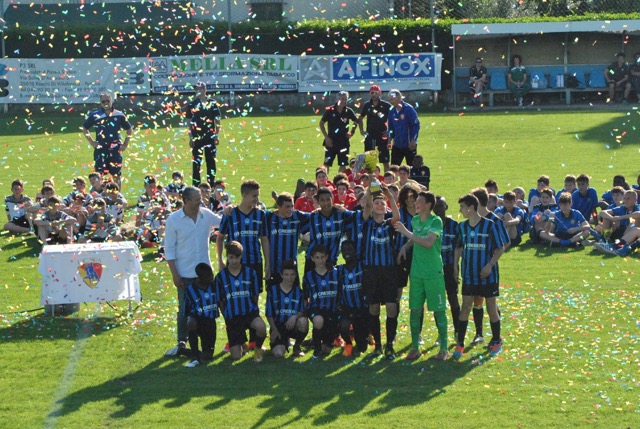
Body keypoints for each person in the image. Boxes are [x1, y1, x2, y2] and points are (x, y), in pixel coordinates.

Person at [164, 186, 222, 357]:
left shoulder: (206, 214)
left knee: (208, 307)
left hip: (205, 274)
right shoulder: (174, 220)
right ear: (186, 201)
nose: (201, 201)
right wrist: (175, 274)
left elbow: (222, 221)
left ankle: (206, 343)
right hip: (185, 274)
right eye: (197, 199)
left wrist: (229, 211)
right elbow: (169, 250)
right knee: (184, 309)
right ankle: (182, 341)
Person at [395, 191, 449, 361]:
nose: (415, 204)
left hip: (433, 273)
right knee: (415, 309)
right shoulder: (415, 220)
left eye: (419, 201)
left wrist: (406, 233)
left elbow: (427, 243)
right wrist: (406, 246)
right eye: (415, 201)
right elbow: (416, 238)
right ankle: (415, 348)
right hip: (416, 272)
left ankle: (444, 348)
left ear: (428, 205)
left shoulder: (436, 221)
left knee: (438, 310)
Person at [453, 194, 506, 359]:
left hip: (487, 275)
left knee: (491, 306)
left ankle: (496, 340)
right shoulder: (462, 227)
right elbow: (459, 248)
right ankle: (460, 344)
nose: (460, 211)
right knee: (466, 307)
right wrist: (455, 266)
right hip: (469, 274)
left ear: (470, 207)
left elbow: (501, 248)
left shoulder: (490, 225)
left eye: (462, 207)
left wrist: (489, 265)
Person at [360, 183, 400, 359]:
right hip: (371, 271)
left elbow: (397, 217)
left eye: (382, 203)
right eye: (377, 203)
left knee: (392, 307)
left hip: (388, 271)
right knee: (374, 308)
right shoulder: (367, 223)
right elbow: (367, 206)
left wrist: (389, 197)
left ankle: (390, 344)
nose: (379, 205)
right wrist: (370, 190)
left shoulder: (389, 223)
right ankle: (377, 344)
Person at [215, 241, 267, 362]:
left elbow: (255, 295)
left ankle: (258, 350)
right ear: (227, 256)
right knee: (236, 357)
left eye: (237, 257)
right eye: (231, 257)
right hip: (233, 316)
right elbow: (220, 301)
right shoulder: (221, 277)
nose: (234, 261)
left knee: (261, 327)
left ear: (241, 256)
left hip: (249, 313)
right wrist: (227, 317)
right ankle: (242, 345)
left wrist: (252, 308)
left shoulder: (250, 273)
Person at [216, 180, 270, 292]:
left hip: (255, 261)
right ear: (244, 195)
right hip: (234, 263)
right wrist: (220, 261)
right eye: (254, 196)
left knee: (254, 296)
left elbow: (264, 239)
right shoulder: (230, 214)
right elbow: (220, 237)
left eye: (258, 196)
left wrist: (267, 263)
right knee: (234, 295)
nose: (257, 199)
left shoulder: (260, 215)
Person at [82, 92, 133, 187]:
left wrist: (125, 144)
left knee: (116, 175)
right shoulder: (95, 115)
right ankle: (101, 197)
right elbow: (85, 128)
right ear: (100, 103)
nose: (106, 103)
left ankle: (117, 196)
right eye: (103, 101)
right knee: (100, 175)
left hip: (115, 149)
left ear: (112, 101)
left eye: (108, 101)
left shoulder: (119, 114)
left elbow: (129, 129)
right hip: (101, 149)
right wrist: (92, 142)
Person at [303, 244, 340, 359]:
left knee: (327, 350)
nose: (320, 260)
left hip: (332, 311)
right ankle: (317, 349)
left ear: (327, 257)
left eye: (322, 257)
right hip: (316, 309)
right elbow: (305, 296)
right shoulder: (308, 276)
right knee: (318, 320)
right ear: (312, 258)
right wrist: (305, 313)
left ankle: (321, 343)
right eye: (317, 257)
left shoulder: (335, 273)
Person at [266, 259, 308, 358]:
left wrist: (294, 317)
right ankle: (283, 342)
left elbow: (302, 310)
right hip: (278, 326)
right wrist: (274, 330)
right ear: (281, 275)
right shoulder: (273, 291)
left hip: (293, 325)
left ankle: (297, 347)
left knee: (303, 321)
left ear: (296, 275)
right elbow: (269, 314)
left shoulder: (299, 292)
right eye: (286, 275)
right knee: (278, 354)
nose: (289, 278)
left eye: (292, 275)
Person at [305, 187, 354, 271]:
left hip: (331, 261)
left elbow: (359, 217)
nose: (326, 203)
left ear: (333, 199)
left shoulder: (341, 214)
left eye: (328, 199)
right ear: (318, 202)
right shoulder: (313, 216)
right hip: (312, 260)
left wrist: (346, 211)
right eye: (322, 200)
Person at [266, 192, 310, 284]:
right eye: (287, 207)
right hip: (274, 267)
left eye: (292, 206)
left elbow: (315, 217)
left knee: (294, 295)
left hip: (292, 269)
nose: (290, 209)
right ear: (278, 206)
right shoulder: (268, 217)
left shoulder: (297, 216)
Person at [433, 196, 461, 336]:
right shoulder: (430, 224)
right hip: (434, 268)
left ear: (446, 207)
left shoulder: (454, 225)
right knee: (438, 302)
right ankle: (441, 333)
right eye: (436, 206)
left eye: (441, 206)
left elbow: (459, 247)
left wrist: (456, 268)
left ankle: (457, 330)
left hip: (449, 266)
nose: (438, 209)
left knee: (453, 298)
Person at [186, 81, 222, 187]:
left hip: (210, 137)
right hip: (197, 138)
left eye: (200, 89)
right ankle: (195, 186)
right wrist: (190, 137)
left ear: (205, 90)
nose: (198, 91)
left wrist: (217, 135)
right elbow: (189, 122)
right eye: (196, 89)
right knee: (196, 163)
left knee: (211, 162)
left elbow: (217, 120)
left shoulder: (213, 103)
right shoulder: (192, 104)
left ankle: (211, 185)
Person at [336, 240, 368, 357]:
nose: (346, 253)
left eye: (349, 250)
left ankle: (362, 334)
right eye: (344, 251)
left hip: (362, 309)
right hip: (347, 309)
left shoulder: (363, 265)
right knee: (343, 324)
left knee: (362, 348)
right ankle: (348, 342)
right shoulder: (339, 270)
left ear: (356, 251)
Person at [184, 263, 219, 368]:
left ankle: (183, 351)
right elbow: (187, 310)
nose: (210, 278)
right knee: (191, 322)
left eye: (211, 275)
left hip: (210, 322)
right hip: (198, 320)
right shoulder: (191, 289)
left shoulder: (214, 286)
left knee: (207, 356)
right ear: (200, 277)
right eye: (208, 276)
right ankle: (195, 355)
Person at [319, 91, 358, 174]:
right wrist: (326, 137)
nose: (343, 101)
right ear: (337, 99)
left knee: (343, 164)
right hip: (331, 141)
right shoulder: (330, 110)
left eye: (345, 99)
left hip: (343, 141)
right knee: (327, 163)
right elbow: (321, 123)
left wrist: (352, 132)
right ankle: (325, 182)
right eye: (342, 99)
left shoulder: (348, 111)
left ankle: (339, 182)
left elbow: (356, 121)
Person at [594, 190, 640, 256]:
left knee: (633, 224)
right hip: (621, 230)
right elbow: (602, 212)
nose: (626, 200)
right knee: (606, 218)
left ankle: (613, 246)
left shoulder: (638, 207)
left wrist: (619, 218)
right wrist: (612, 219)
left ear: (635, 200)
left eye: (628, 198)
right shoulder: (622, 208)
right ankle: (605, 241)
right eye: (624, 198)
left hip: (632, 234)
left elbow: (638, 214)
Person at [358, 84, 392, 171]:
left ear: (380, 93)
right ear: (370, 94)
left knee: (385, 160)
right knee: (369, 160)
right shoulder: (367, 105)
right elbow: (360, 118)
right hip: (370, 135)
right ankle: (370, 180)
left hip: (382, 135)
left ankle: (387, 179)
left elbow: (393, 119)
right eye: (372, 93)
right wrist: (362, 130)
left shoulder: (386, 105)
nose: (374, 95)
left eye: (376, 93)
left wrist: (389, 131)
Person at [387, 89, 420, 166]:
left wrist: (413, 140)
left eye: (392, 98)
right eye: (390, 99)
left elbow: (416, 125)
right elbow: (391, 127)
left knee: (411, 167)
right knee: (394, 168)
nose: (391, 101)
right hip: (397, 144)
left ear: (399, 98)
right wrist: (389, 140)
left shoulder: (408, 109)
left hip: (409, 144)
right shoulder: (391, 110)